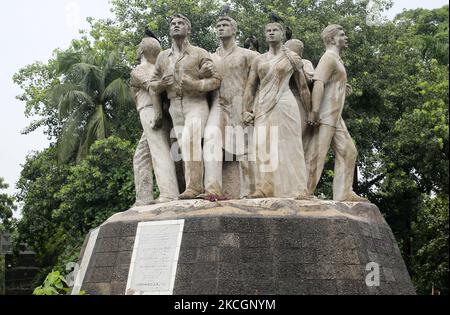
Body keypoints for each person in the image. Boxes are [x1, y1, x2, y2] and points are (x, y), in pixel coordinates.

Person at [150, 14, 221, 200]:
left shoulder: (200, 53)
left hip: (195, 103)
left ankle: (195, 187)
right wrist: (161, 84)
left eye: (181, 23)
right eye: (173, 24)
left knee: (190, 141)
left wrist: (195, 85)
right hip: (174, 106)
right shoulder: (163, 57)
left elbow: (216, 80)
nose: (176, 26)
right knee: (183, 147)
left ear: (188, 29)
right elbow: (152, 85)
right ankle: (191, 186)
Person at [242, 22, 311, 199]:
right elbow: (250, 86)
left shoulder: (292, 58)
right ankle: (264, 188)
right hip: (263, 104)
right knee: (262, 145)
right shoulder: (259, 59)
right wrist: (245, 109)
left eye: (275, 30)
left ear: (282, 35)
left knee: (291, 146)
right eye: (268, 31)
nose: (271, 33)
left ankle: (298, 189)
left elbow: (303, 87)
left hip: (285, 102)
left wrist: (311, 111)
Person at [305, 24, 368, 202]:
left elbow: (330, 82)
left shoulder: (337, 59)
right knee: (317, 154)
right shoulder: (329, 58)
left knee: (349, 151)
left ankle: (343, 193)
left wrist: (341, 86)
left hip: (335, 116)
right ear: (332, 39)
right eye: (342, 34)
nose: (346, 37)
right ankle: (305, 191)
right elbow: (318, 82)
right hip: (324, 114)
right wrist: (315, 111)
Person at [201, 16, 259, 199]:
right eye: (218, 25)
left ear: (234, 30)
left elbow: (261, 81)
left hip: (240, 102)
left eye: (225, 25)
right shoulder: (209, 57)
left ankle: (248, 192)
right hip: (218, 104)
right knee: (211, 139)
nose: (221, 28)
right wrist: (203, 73)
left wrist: (253, 109)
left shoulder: (248, 55)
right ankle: (212, 190)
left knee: (245, 147)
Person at [131, 37, 180, 206]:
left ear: (141, 51)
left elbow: (151, 87)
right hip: (163, 112)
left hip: (150, 110)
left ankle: (169, 193)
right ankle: (143, 198)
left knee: (159, 151)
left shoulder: (139, 70)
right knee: (141, 157)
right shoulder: (161, 69)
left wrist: (157, 113)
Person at [285, 38, 315, 151]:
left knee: (298, 138)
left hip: (299, 102)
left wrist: (299, 67)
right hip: (284, 102)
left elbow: (309, 82)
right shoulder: (279, 63)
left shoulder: (305, 62)